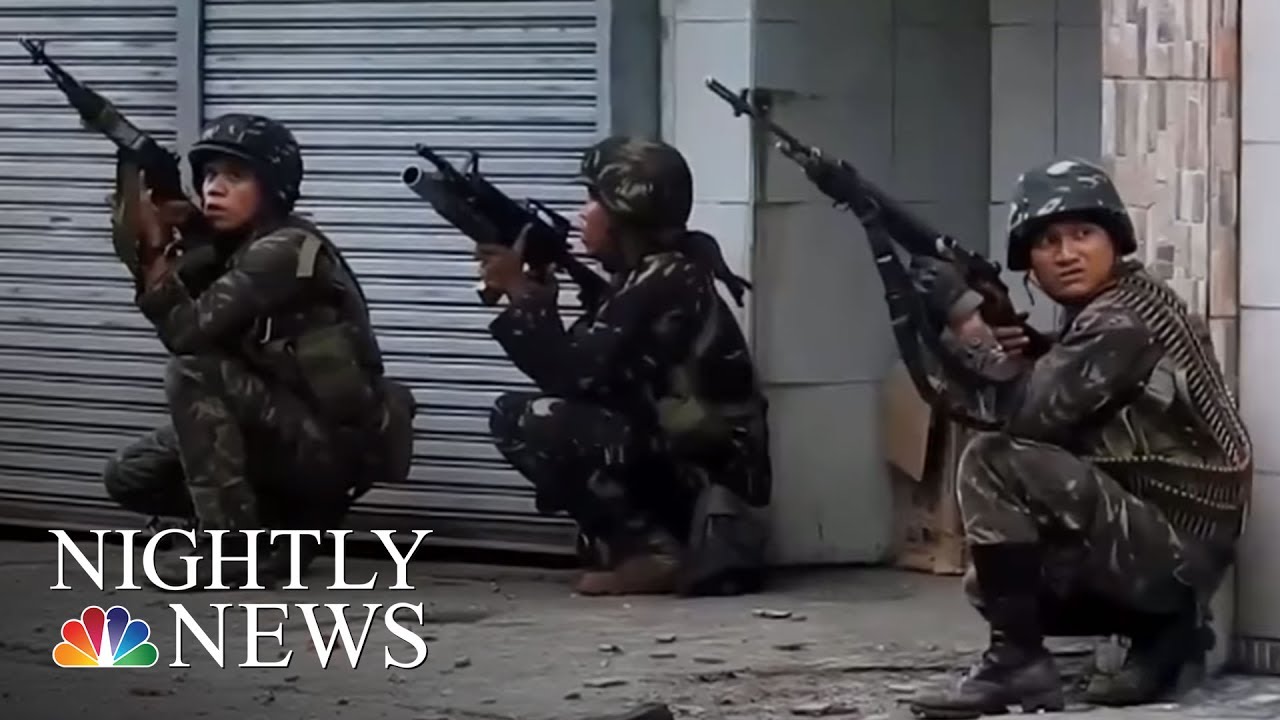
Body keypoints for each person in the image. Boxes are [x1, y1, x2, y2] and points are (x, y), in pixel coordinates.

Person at [904, 159, 1252, 718]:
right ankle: (1162, 632)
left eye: (1082, 234)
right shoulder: (1117, 306)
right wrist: (1027, 351)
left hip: (1178, 550)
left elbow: (1023, 422)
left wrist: (969, 328)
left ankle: (1018, 664)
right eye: (1048, 241)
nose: (1066, 254)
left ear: (1113, 240)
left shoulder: (1122, 319)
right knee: (992, 581)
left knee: (991, 460)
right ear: (1030, 264)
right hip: (1173, 539)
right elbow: (1081, 402)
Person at [103, 113, 416, 588]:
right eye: (208, 175)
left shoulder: (286, 250)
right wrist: (156, 235)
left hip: (328, 447)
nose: (214, 189)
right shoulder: (228, 248)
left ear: (273, 188)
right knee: (131, 475)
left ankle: (233, 548)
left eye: (235, 176)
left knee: (194, 370)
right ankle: (280, 533)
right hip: (279, 429)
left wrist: (153, 259)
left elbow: (187, 334)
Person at [476, 137, 772, 596]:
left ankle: (656, 553)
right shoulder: (643, 277)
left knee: (530, 419)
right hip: (688, 459)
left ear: (626, 212)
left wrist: (520, 295)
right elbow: (587, 370)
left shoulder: (665, 279)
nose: (582, 212)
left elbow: (573, 375)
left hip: (710, 475)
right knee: (534, 414)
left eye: (594, 198)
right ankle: (639, 544)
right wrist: (540, 303)